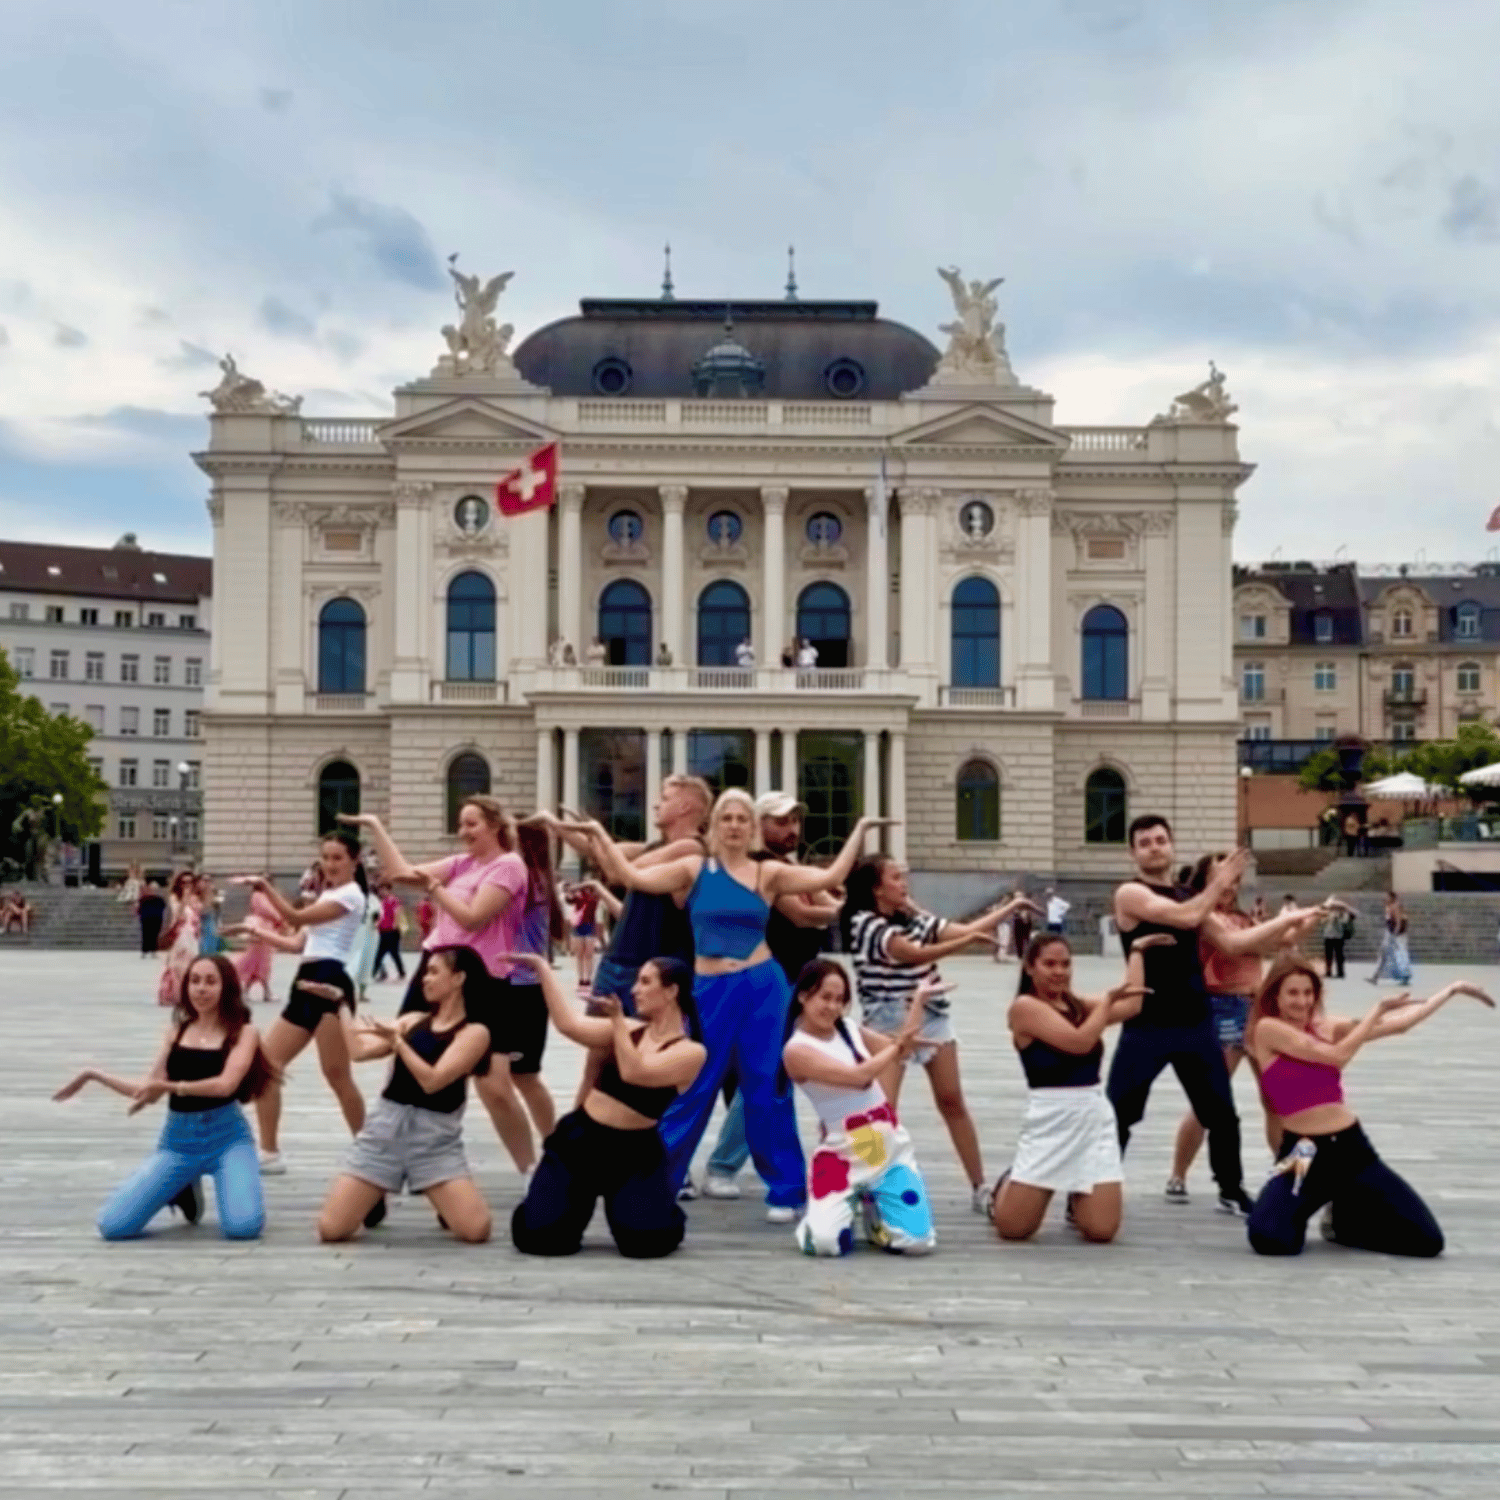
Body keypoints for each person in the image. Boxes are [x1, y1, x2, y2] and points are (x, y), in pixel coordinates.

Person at [575, 793, 890, 1220]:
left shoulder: (768, 872)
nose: (735, 826)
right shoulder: (695, 870)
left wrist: (860, 829)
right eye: (727, 818)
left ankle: (786, 1191)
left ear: (752, 828)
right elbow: (631, 875)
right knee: (695, 1084)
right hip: (710, 987)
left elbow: (831, 874)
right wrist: (597, 833)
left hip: (763, 986)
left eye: (743, 819)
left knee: (766, 1087)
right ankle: (656, 1182)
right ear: (715, 825)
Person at [1245, 957, 1492, 1256]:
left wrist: (1451, 990)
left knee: (1427, 1242)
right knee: (1269, 1239)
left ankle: (1344, 1223)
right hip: (1302, 1154)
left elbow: (1399, 1025)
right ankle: (1313, 1204)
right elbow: (1336, 1057)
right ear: (1276, 996)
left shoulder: (1328, 1026)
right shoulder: (1268, 1029)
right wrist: (1374, 1012)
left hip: (1350, 1150)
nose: (1302, 1001)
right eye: (1293, 993)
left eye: (1308, 993)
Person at [342, 799, 538, 1175]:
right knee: (406, 1056)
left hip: (483, 978)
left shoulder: (509, 866)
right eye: (461, 824)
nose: (463, 832)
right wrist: (375, 826)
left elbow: (474, 919)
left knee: (494, 1086)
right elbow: (399, 872)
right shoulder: (461, 864)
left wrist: (435, 888)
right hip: (435, 969)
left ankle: (531, 1171)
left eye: (471, 824)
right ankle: (386, 1164)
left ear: (494, 825)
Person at [843, 856, 1036, 1214]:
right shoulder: (863, 923)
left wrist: (1010, 908)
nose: (904, 883)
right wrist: (964, 944)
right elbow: (912, 954)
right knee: (880, 1111)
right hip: (888, 1020)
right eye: (896, 878)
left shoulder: (913, 918)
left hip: (931, 1014)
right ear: (876, 888)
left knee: (951, 1099)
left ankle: (980, 1187)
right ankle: (866, 1188)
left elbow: (961, 930)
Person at [55, 954, 274, 1240]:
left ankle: (204, 1179)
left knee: (242, 1227)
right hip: (179, 1142)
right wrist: (94, 1075)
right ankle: (184, 1185)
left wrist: (173, 1087)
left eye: (210, 981)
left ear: (226, 987)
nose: (201, 989)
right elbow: (147, 1090)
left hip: (227, 1138)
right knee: (113, 1225)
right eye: (194, 981)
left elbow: (225, 1086)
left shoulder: (244, 1033)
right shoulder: (177, 1033)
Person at [694, 791, 843, 1200]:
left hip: (787, 985)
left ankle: (748, 1169)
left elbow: (829, 899)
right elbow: (804, 912)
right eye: (780, 821)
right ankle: (721, 1166)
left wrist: (832, 900)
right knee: (754, 1079)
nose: (791, 828)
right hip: (752, 981)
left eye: (795, 820)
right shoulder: (759, 869)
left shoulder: (783, 867)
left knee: (764, 1080)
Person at [509, 952, 707, 1258]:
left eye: (645, 982)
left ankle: (659, 1206)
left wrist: (615, 1021)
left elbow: (636, 1072)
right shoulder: (627, 1028)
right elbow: (567, 1025)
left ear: (671, 991)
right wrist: (542, 969)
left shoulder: (691, 1052)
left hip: (634, 1152)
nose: (634, 990)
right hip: (582, 1141)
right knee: (542, 1238)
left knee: (646, 1243)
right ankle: (551, 1197)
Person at [1164, 855, 1336, 1203]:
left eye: (1234, 881)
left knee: (1275, 1097)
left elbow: (1277, 942)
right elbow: (1242, 944)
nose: (1229, 886)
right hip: (1222, 1008)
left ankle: (1282, 1172)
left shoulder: (1242, 918)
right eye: (1221, 878)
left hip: (1256, 1010)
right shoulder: (1203, 917)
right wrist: (1290, 920)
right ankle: (1178, 1175)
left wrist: (1313, 917)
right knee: (1209, 1100)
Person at [1108, 818, 1258, 1215]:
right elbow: (1186, 917)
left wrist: (1293, 922)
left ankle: (1231, 1188)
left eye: (1161, 840)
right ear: (1133, 853)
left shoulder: (1188, 893)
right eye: (1145, 843)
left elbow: (1231, 941)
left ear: (1172, 846)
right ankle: (1093, 1190)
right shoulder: (1130, 893)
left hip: (1195, 1021)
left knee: (1222, 1113)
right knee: (1119, 1112)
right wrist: (1219, 884)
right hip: (1148, 1021)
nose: (1155, 847)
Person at [543, 774, 712, 1104]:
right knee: (596, 1062)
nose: (655, 804)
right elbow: (599, 851)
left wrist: (594, 835)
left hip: (646, 971)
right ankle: (578, 1136)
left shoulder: (691, 849)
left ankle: (608, 1130)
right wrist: (559, 825)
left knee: (628, 1061)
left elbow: (617, 867)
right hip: (620, 963)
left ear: (687, 806)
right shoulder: (654, 848)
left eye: (664, 797)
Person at [316, 945, 495, 1244]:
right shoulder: (412, 1021)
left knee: (476, 1230)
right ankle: (374, 1191)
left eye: (434, 972)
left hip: (434, 1139)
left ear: (459, 978)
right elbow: (359, 1052)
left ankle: (436, 1190)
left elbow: (433, 1081)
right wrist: (342, 1005)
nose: (425, 979)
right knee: (332, 1230)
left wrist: (399, 1044)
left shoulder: (475, 1033)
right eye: (426, 972)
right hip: (386, 1129)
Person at [991, 933, 1159, 1243]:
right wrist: (1106, 1003)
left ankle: (1077, 1193)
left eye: (1066, 964)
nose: (1059, 972)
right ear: (1030, 968)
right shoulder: (1024, 1007)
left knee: (1101, 1230)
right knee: (1014, 1230)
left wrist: (1136, 951)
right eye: (1049, 964)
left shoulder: (1079, 1005)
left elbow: (1134, 1004)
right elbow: (1079, 1043)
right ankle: (1008, 1185)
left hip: (1092, 1114)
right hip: (1050, 1116)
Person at [225, 832, 371, 1174]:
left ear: (354, 862)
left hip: (329, 985)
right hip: (305, 983)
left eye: (338, 858)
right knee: (267, 1067)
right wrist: (256, 932)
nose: (330, 864)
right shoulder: (330, 895)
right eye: (326, 857)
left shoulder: (351, 895)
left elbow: (296, 917)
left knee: (337, 1076)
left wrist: (264, 886)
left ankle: (370, 1151)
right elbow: (296, 943)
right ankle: (270, 1152)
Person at [782, 959, 937, 1257]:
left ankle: (873, 1208)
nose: (833, 1007)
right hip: (842, 1153)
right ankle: (835, 1210)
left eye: (840, 1000)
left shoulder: (850, 1029)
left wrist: (918, 1000)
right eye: (824, 998)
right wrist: (897, 1046)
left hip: (887, 1146)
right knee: (826, 1244)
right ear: (803, 996)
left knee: (917, 1242)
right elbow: (859, 1077)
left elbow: (901, 1048)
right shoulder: (796, 1049)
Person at [230, 882, 287, 1005]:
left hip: (264, 926)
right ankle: (265, 992)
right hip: (263, 927)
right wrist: (280, 918)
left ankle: (249, 990)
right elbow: (268, 910)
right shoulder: (259, 895)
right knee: (262, 960)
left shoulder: (259, 895)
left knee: (258, 961)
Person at [157, 872, 203, 1007]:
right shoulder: (175, 898)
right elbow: (178, 915)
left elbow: (199, 912)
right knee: (177, 964)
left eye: (190, 882)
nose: (187, 885)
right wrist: (184, 899)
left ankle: (188, 994)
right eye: (184, 882)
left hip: (192, 933)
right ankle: (175, 993)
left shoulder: (195, 898)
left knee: (192, 962)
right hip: (180, 932)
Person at [1368, 893, 1411, 984]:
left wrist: (1395, 934)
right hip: (1392, 933)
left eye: (1387, 897)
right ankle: (1376, 976)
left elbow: (1398, 921)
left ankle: (1404, 975)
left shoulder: (1395, 906)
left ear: (1392, 898)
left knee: (1398, 953)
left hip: (1395, 934)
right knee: (1391, 954)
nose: (1385, 899)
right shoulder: (1391, 907)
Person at [568, 877, 601, 993]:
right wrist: (573, 891)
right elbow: (569, 899)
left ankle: (588, 980)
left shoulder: (595, 895)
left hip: (590, 926)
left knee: (588, 955)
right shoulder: (578, 894)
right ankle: (581, 979)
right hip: (579, 926)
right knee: (580, 954)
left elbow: (597, 906)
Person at [372, 882, 407, 982]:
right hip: (382, 931)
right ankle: (373, 973)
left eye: (383, 889)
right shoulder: (383, 901)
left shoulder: (394, 901)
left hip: (391, 931)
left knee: (392, 953)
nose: (381, 892)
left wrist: (395, 926)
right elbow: (381, 916)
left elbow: (398, 912)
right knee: (380, 953)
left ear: (388, 889)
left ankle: (401, 972)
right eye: (380, 890)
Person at [1322, 897, 1353, 980]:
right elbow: (1322, 921)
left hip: (1338, 936)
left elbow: (1345, 922)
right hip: (1328, 935)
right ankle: (1328, 971)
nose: (1334, 908)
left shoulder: (1342, 913)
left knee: (1339, 955)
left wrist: (1339, 917)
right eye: (1333, 906)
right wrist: (1330, 918)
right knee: (1328, 955)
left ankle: (1340, 972)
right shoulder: (1327, 912)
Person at [136, 879, 167, 957]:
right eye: (151, 889)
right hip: (146, 919)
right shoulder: (143, 899)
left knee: (155, 935)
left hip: (156, 919)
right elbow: (139, 909)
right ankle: (145, 951)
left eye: (154, 889)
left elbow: (163, 907)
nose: (152, 891)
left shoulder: (159, 899)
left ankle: (153, 951)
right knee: (146, 935)